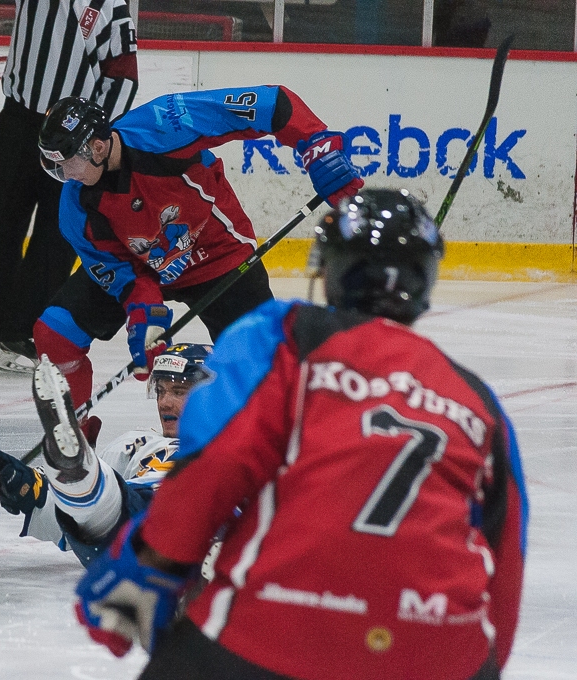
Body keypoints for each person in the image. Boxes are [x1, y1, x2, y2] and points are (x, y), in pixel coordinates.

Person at [74, 189, 529, 679]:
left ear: (330, 270)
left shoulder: (285, 334)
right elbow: (507, 556)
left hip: (280, 625)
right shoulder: (477, 399)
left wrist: (147, 571)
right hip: (442, 650)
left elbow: (216, 462)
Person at [32, 88, 364, 436]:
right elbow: (123, 274)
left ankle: (290, 445)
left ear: (97, 148)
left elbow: (272, 104)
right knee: (55, 334)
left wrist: (317, 145)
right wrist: (143, 314)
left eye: (67, 162)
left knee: (262, 365)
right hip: (145, 267)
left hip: (217, 256)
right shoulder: (75, 208)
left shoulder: (163, 125)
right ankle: (73, 440)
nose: (65, 174)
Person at [0, 0, 139, 373]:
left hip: (72, 134)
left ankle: (24, 330)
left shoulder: (105, 5)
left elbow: (123, 74)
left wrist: (94, 136)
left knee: (56, 235)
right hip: (17, 118)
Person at [0, 343, 213, 566]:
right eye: (161, 390)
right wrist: (26, 489)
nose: (164, 402)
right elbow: (73, 524)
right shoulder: (135, 444)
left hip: (187, 532)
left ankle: (74, 467)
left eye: (179, 391)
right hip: (129, 531)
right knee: (105, 506)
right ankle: (72, 469)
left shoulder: (235, 447)